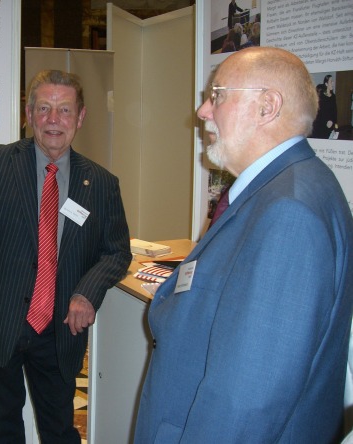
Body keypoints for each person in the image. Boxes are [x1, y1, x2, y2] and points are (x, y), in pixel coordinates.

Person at [134, 47, 353, 443]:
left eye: (216, 95)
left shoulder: (290, 213)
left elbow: (248, 401)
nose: (202, 110)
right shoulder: (282, 189)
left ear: (267, 107)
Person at [0, 69, 131, 443]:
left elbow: (116, 252)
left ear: (79, 118)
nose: (53, 120)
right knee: (2, 429)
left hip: (60, 329)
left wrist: (87, 292)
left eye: (64, 110)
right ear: (28, 115)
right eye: (44, 108)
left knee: (60, 429)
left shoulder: (100, 183)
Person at [311, 74, 338, 139]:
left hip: (330, 126)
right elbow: (319, 112)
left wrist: (332, 121)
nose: (333, 83)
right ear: (326, 84)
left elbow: (335, 111)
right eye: (331, 81)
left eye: (333, 81)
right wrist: (326, 122)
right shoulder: (321, 96)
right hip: (321, 126)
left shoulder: (333, 96)